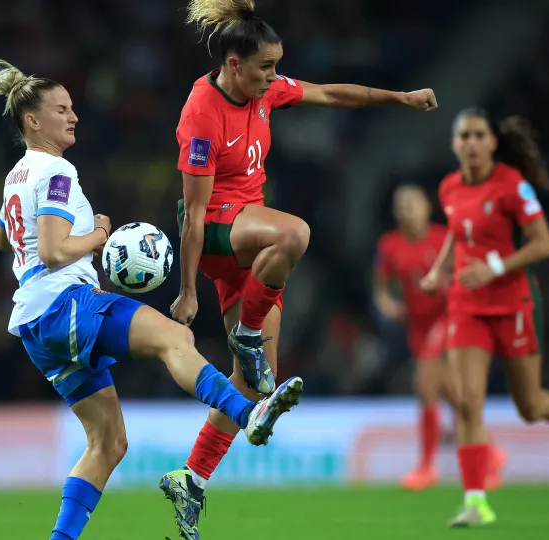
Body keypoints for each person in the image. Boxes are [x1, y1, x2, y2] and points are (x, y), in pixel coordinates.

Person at [0, 59, 303, 540]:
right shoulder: (57, 171)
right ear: (32, 121)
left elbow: (4, 238)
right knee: (174, 336)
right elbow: (54, 249)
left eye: (73, 107)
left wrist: (59, 239)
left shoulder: (15, 177)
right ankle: (249, 414)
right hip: (65, 303)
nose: (73, 115)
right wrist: (99, 232)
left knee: (108, 442)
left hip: (35, 327)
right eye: (62, 108)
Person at [160, 0, 438, 537]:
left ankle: (191, 479)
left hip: (250, 242)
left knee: (253, 382)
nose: (273, 76)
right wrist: (188, 290)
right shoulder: (201, 111)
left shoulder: (265, 92)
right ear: (234, 63)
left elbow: (332, 93)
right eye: (265, 67)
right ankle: (245, 330)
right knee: (296, 233)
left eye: (275, 66)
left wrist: (399, 98)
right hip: (217, 230)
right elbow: (193, 212)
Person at [420, 108, 549, 527]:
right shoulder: (449, 188)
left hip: (512, 304)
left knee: (529, 406)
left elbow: (544, 244)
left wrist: (494, 268)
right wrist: (438, 270)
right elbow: (455, 231)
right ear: (454, 144)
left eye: (479, 135)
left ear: (493, 142)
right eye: (463, 136)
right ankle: (476, 501)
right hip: (466, 305)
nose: (471, 143)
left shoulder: (512, 187)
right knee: (466, 403)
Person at [374, 184, 506, 492]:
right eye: (401, 204)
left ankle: (426, 466)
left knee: (424, 386)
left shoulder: (442, 240)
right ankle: (492, 456)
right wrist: (388, 306)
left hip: (448, 319)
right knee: (454, 396)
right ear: (395, 212)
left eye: (413, 203)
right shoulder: (389, 245)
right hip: (416, 327)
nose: (407, 209)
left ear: (427, 208)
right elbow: (381, 288)